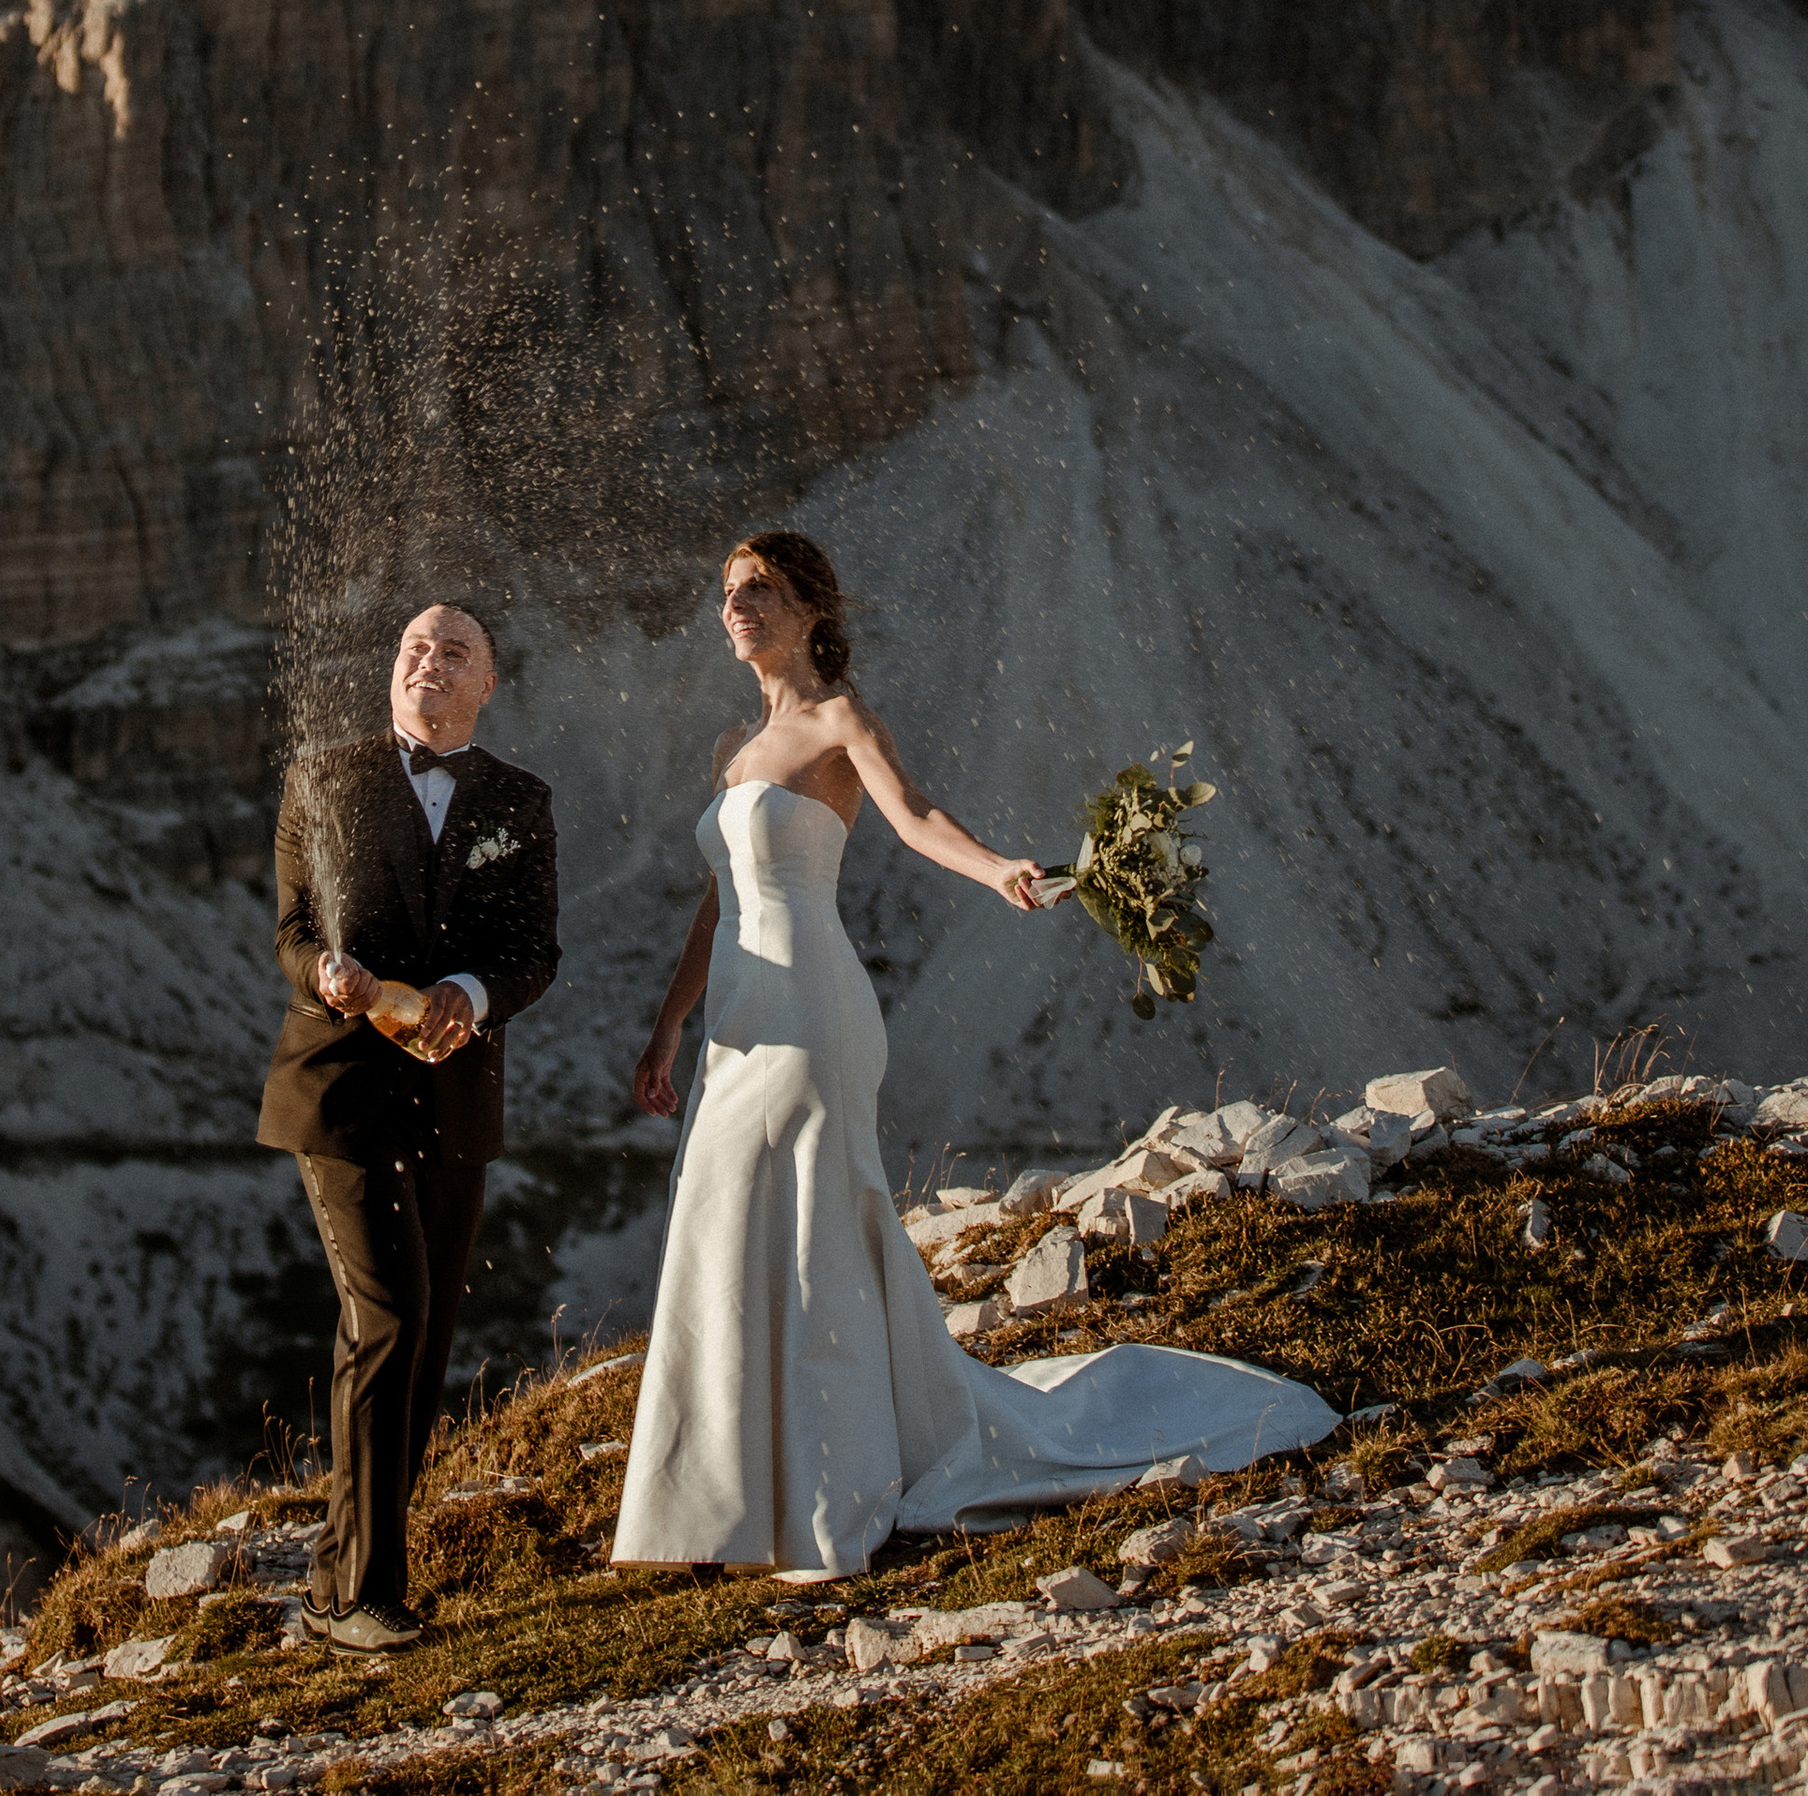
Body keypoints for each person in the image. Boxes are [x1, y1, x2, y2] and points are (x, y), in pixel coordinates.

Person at [613, 532, 1333, 1574]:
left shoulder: (838, 719)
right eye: (727, 590)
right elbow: (716, 901)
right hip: (735, 1021)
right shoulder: (735, 745)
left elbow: (912, 817)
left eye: (759, 589)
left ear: (812, 610)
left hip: (813, 1008)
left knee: (814, 1223)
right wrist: (670, 1024)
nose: (736, 606)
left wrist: (999, 870)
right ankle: (724, 1500)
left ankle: (829, 1492)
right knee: (727, 1220)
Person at [259, 601, 559, 1651]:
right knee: (387, 1315)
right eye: (413, 649)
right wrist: (325, 971)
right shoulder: (324, 776)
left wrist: (472, 993)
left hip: (454, 1098)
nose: (429, 662)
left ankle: (340, 1577)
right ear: (392, 673)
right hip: (338, 1091)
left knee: (422, 1336)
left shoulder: (520, 802)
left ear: (488, 682)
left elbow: (534, 953)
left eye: (455, 651)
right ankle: (361, 1601)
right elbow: (295, 930)